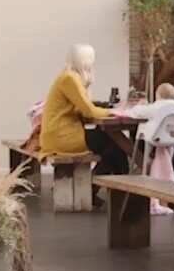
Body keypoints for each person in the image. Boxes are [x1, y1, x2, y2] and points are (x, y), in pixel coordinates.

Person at [41, 44, 129, 188]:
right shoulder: (69, 79)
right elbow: (89, 111)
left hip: (63, 134)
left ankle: (97, 189)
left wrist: (87, 84)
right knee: (115, 147)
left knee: (112, 145)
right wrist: (113, 112)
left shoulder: (70, 77)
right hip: (63, 136)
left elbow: (84, 108)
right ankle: (120, 190)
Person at [125, 83, 174, 215]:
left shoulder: (156, 106)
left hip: (155, 139)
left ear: (157, 95)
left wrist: (140, 105)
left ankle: (155, 196)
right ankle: (167, 197)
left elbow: (135, 113)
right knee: (165, 152)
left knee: (144, 143)